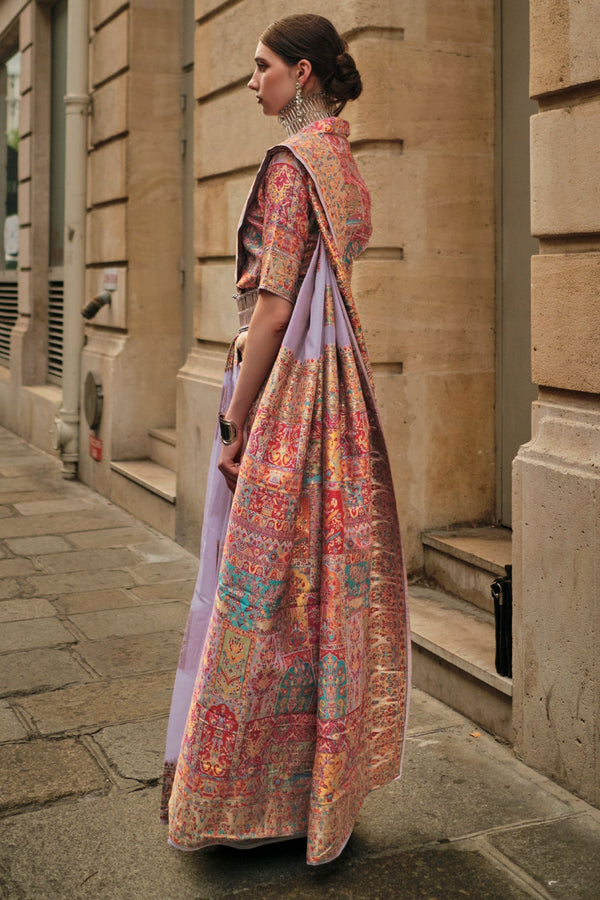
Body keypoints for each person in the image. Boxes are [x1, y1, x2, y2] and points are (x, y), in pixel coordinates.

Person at [161, 14, 410, 866]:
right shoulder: (344, 165)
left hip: (292, 398)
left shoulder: (290, 167)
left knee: (259, 598)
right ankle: (318, 797)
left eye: (261, 66)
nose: (251, 79)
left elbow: (272, 307)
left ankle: (235, 798)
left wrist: (237, 422)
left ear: (302, 73)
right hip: (342, 399)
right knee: (321, 596)